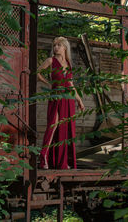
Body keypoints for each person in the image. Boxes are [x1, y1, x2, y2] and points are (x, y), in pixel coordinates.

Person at [37, 37, 84, 170]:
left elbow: (71, 84)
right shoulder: (50, 61)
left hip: (68, 98)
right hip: (56, 96)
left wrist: (79, 100)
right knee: (53, 125)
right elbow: (38, 73)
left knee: (66, 128)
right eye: (54, 45)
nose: (55, 47)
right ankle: (43, 156)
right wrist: (49, 84)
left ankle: (61, 161)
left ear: (64, 48)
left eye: (58, 45)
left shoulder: (68, 63)